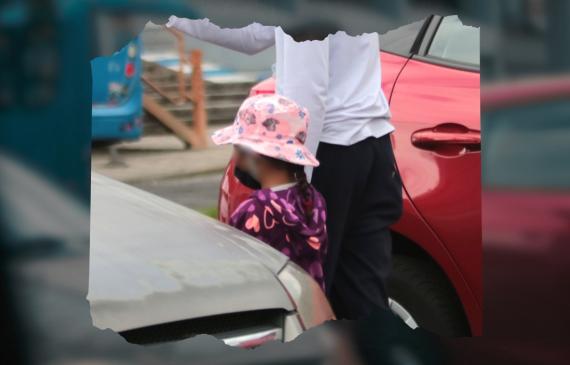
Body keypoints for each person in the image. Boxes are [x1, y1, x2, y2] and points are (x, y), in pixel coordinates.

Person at [167, 16, 402, 319]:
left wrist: (293, 188)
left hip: (329, 149)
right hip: (371, 142)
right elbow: (255, 34)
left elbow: (306, 94)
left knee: (302, 299)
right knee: (363, 296)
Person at [212, 93, 328, 290]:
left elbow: (238, 273)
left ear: (253, 154)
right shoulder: (313, 199)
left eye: (236, 147)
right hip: (308, 311)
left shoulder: (253, 211)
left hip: (269, 312)